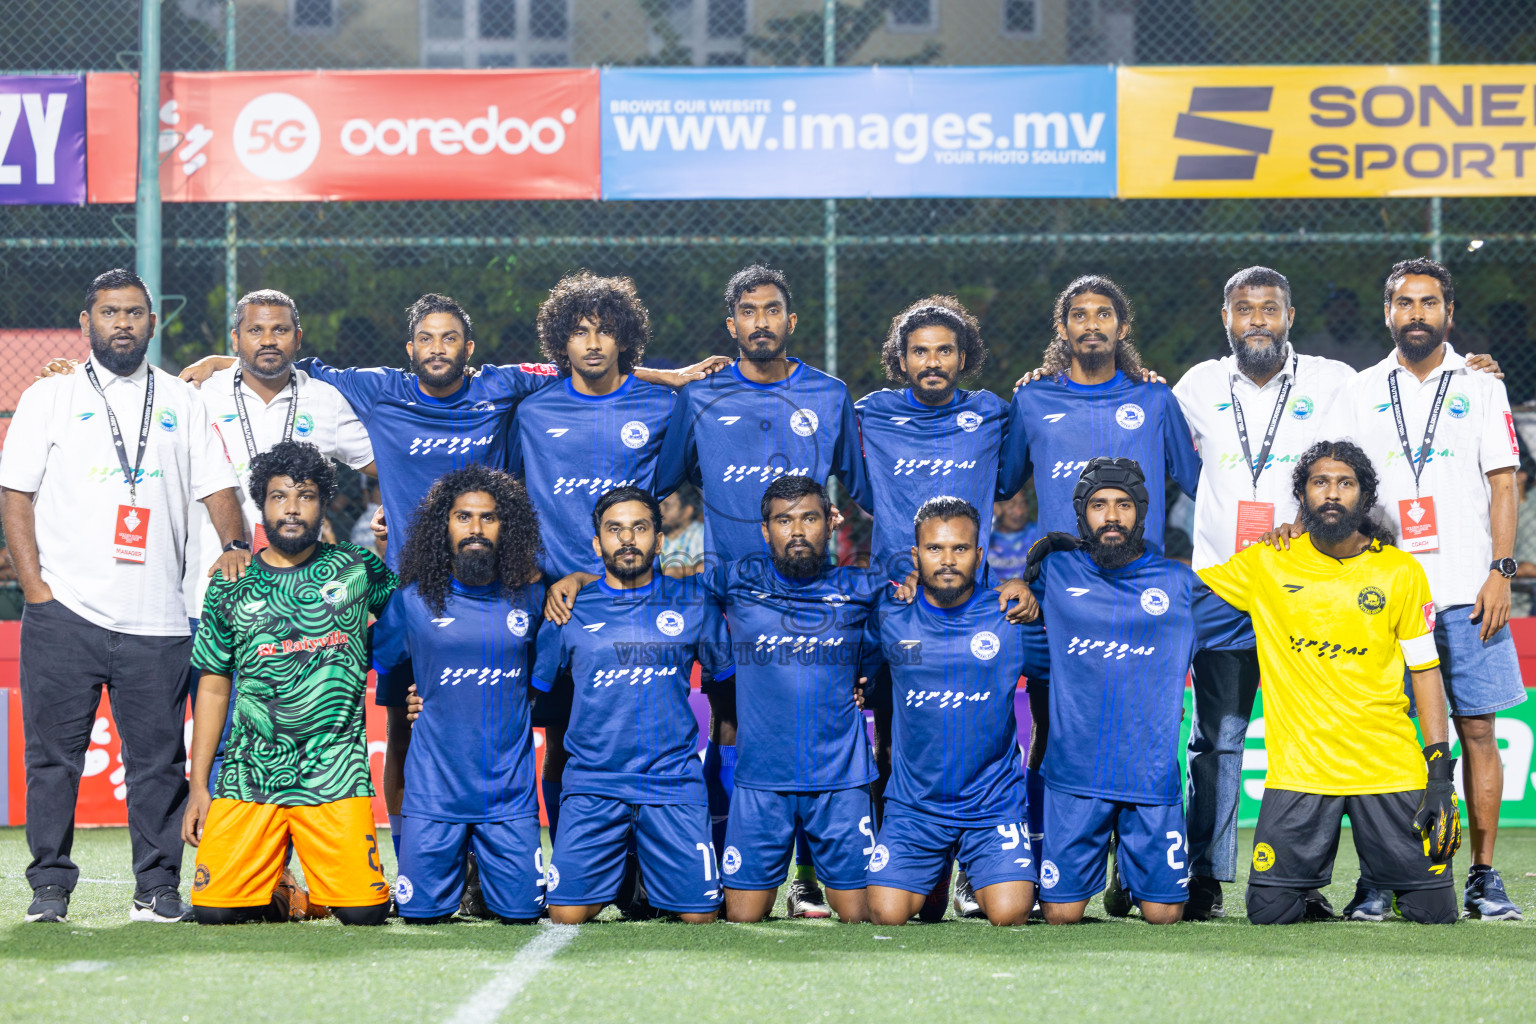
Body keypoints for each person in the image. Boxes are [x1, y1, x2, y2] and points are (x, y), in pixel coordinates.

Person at [2, 268, 245, 925]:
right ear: (87, 323)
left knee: (157, 766)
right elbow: (15, 493)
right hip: (64, 614)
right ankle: (49, 887)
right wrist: (36, 589)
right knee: (53, 762)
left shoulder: (181, 402)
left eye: (135, 313)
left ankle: (156, 887)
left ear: (152, 322)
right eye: (110, 313)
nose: (123, 324)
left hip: (159, 616)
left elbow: (218, 487)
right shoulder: (46, 398)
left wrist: (236, 543)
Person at [654, 265, 873, 918]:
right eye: (747, 311)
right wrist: (666, 377)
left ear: (791, 320)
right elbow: (663, 483)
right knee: (731, 726)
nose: (760, 322)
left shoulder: (830, 395)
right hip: (735, 606)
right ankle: (734, 861)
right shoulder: (700, 398)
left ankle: (815, 872)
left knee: (835, 725)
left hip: (818, 604)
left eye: (772, 309)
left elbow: (862, 493)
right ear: (731, 326)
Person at [1331, 258, 1524, 921]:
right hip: (1382, 595)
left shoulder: (1481, 385)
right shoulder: (1357, 390)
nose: (1417, 312)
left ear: (1449, 312)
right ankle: (1379, 878)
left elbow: (1505, 481)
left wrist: (1501, 570)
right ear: (1388, 313)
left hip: (1470, 590)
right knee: (1381, 737)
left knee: (1476, 728)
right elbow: (1341, 489)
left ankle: (1484, 876)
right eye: (1404, 302)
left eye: (1429, 302)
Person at [1207, 441, 1460, 924]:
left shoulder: (1400, 570)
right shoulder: (1266, 562)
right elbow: (1182, 592)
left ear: (1364, 497)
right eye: (1319, 482)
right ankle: (1310, 893)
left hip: (1386, 765)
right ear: (1301, 495)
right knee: (1269, 913)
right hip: (1302, 771)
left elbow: (1425, 672)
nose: (1331, 493)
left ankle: (1376, 882)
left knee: (1433, 912)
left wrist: (1440, 775)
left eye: (1345, 483)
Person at [1169, 266, 1354, 919]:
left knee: (1311, 735)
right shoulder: (1196, 384)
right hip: (1220, 587)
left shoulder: (1332, 381)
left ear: (1289, 317)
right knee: (1217, 738)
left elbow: (1394, 409)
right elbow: (1133, 406)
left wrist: (1470, 371)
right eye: (1244, 309)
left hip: (1305, 587)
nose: (1256, 320)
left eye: (1268, 308)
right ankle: (1205, 879)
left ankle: (1298, 881)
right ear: (1227, 319)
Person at [998, 275, 1201, 865]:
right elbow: (1007, 479)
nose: (1092, 324)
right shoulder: (1033, 400)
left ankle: (1140, 864)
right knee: (1051, 729)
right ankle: (1039, 856)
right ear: (1062, 330)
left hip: (1144, 598)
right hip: (1059, 595)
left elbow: (1198, 482)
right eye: (1079, 315)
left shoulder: (1155, 400)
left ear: (1122, 327)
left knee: (1148, 732)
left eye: (1104, 314)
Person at [1020, 458, 1253, 925]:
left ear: (1141, 512)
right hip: (1074, 781)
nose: (1111, 516)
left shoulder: (1180, 584)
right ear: (1081, 513)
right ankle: (1115, 865)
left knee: (1165, 915)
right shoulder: (1055, 574)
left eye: (1123, 505)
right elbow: (1001, 614)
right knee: (1060, 916)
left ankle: (1127, 871)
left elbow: (1263, 616)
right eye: (1098, 505)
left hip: (1150, 782)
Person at [183, 441, 396, 925]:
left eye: (305, 496)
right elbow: (214, 687)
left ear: (324, 504)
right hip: (249, 775)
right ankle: (282, 888)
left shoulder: (357, 570)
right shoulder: (229, 583)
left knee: (364, 915)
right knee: (215, 913)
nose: (292, 508)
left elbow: (410, 617)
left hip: (334, 772)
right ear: (261, 505)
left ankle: (321, 888)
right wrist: (200, 786)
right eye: (279, 497)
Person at [509, 272, 678, 849]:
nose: (594, 343)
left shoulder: (661, 405)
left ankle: (646, 856)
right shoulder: (532, 413)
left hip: (638, 596)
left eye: (606, 331)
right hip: (561, 602)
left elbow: (691, 481)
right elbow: (508, 494)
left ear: (625, 337)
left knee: (647, 729)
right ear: (562, 343)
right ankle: (570, 856)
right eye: (580, 332)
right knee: (560, 737)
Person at [852, 295, 1008, 916]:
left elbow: (1013, 472)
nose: (933, 360)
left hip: (971, 606)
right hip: (897, 603)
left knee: (980, 731)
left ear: (963, 357)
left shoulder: (994, 414)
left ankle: (976, 864)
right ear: (901, 359)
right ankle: (909, 863)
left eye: (945, 349)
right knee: (890, 739)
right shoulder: (868, 414)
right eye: (920, 351)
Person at [533, 486, 733, 924]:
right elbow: (529, 694)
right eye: (615, 529)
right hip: (594, 783)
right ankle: (627, 873)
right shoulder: (567, 609)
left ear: (659, 540)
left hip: (673, 783)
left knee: (700, 917)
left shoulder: (693, 602)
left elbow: (727, 685)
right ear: (597, 543)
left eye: (639, 528)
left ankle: (645, 871)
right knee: (566, 914)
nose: (627, 539)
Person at [372, 466, 547, 925]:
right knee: (420, 914)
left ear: (506, 527)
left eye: (488, 518)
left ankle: (484, 879)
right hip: (434, 792)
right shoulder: (411, 600)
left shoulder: (530, 598)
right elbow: (381, 659)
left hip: (507, 794)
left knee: (522, 914)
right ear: (443, 527)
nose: (476, 529)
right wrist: (420, 691)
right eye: (463, 517)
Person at [865, 497, 1040, 927]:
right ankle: (937, 871)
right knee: (886, 915)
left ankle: (967, 867)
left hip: (991, 803)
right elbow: (853, 668)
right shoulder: (889, 615)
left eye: (960, 549)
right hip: (915, 805)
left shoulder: (1010, 615)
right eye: (934, 549)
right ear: (916, 555)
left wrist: (1028, 591)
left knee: (1010, 913)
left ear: (979, 556)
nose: (947, 560)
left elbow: (1062, 676)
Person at [987, 491, 1039, 581]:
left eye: (1023, 504)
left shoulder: (1036, 534)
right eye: (1011, 506)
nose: (1019, 512)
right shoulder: (985, 537)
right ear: (996, 507)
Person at [659, 486, 705, 577]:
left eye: (667, 506)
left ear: (687, 511)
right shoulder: (655, 537)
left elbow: (713, 568)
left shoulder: (702, 535)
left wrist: (678, 572)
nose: (660, 510)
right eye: (659, 504)